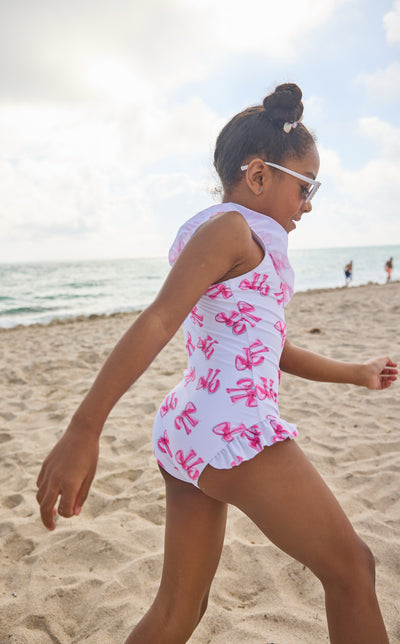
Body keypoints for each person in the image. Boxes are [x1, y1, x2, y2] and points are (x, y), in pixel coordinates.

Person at [36, 83, 398, 644]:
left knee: (180, 609)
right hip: (234, 430)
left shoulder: (248, 244)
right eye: (305, 187)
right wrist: (86, 426)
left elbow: (268, 350)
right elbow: (159, 319)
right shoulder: (230, 231)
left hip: (189, 429)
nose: (309, 205)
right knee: (353, 568)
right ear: (258, 176)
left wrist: (355, 371)